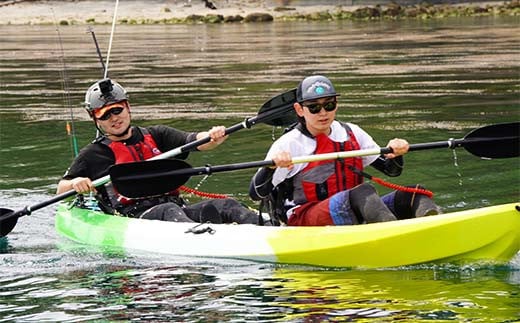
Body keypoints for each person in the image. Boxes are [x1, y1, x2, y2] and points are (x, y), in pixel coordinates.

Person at [57, 78, 259, 224]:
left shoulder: (158, 135)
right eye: (105, 115)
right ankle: (206, 240)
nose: (114, 118)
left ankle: (273, 229)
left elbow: (197, 141)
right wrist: (75, 183)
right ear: (96, 120)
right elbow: (61, 189)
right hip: (132, 219)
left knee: (227, 204)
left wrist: (213, 136)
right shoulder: (93, 154)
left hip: (177, 209)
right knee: (168, 210)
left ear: (128, 107)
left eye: (117, 110)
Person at [249, 75, 440, 226]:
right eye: (314, 107)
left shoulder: (352, 132)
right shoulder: (290, 144)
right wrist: (271, 168)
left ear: (336, 105)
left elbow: (392, 170)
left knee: (414, 193)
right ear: (299, 109)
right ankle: (394, 236)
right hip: (305, 218)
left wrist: (396, 154)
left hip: (355, 209)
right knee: (363, 192)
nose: (323, 112)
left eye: (329, 105)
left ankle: (437, 229)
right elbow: (255, 193)